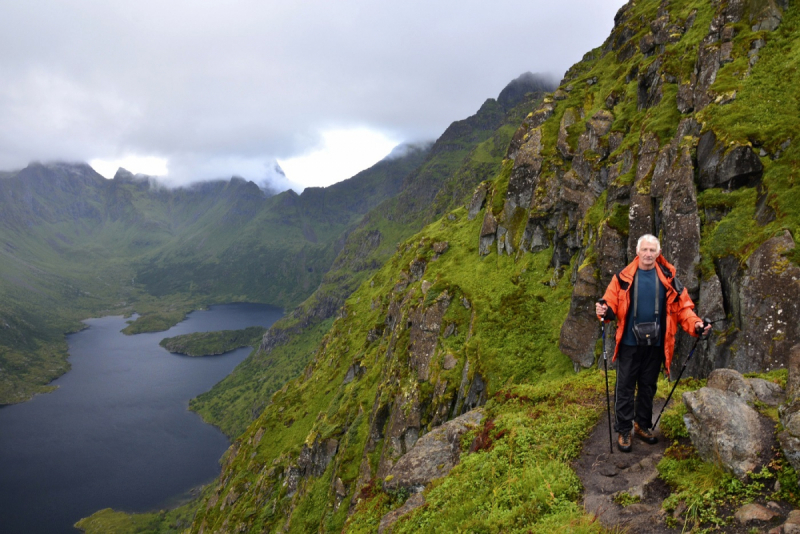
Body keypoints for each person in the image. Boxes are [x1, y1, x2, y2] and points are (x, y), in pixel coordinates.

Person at [595, 234, 711, 452]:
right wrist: (604, 310)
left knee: (648, 387)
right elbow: (609, 305)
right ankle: (623, 430)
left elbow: (684, 309)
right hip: (629, 343)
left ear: (658, 253)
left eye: (652, 250)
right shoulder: (622, 278)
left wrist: (696, 325)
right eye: (645, 250)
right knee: (625, 387)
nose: (648, 254)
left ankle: (642, 425)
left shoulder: (668, 278)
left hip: (656, 344)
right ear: (637, 252)